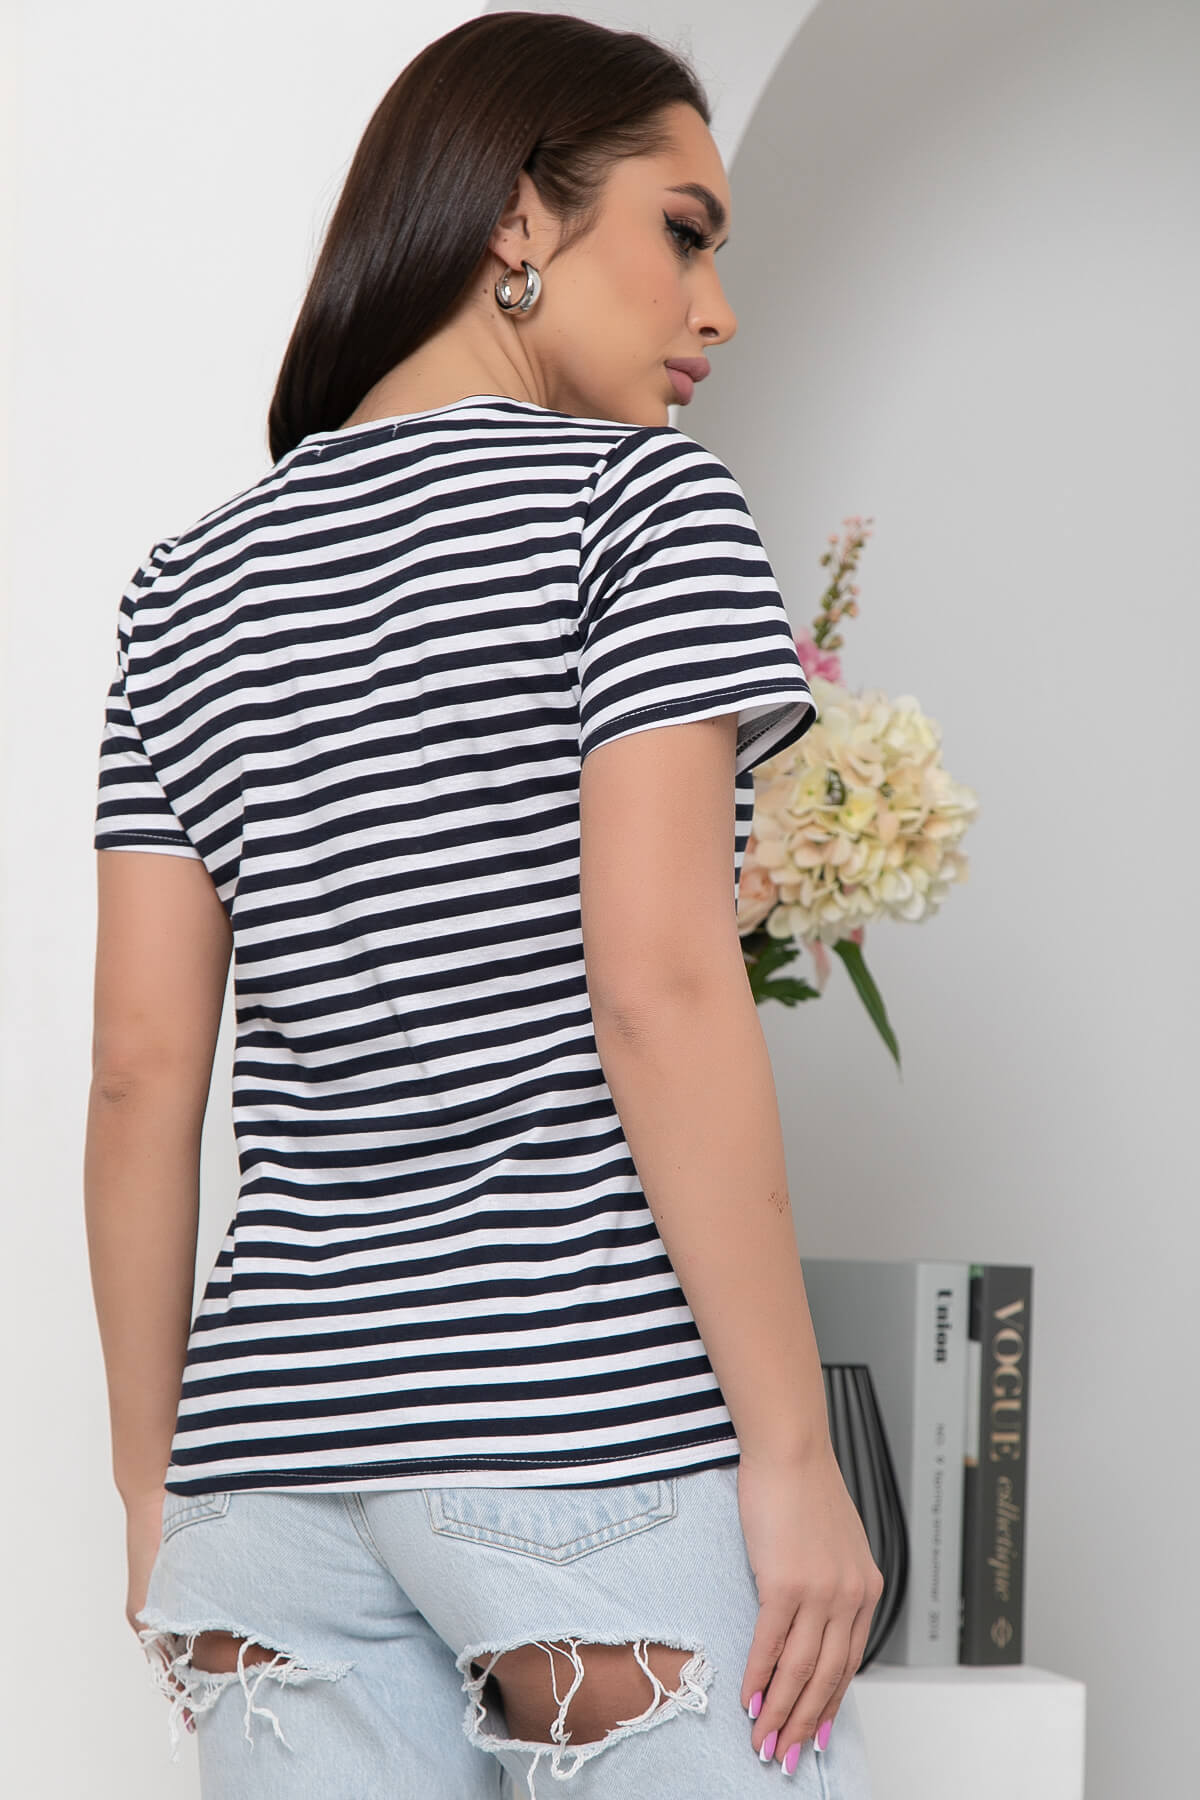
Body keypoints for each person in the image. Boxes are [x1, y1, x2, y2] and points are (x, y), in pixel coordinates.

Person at [84, 11, 883, 1797]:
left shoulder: (185, 585)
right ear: (520, 213)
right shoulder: (640, 510)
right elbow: (661, 983)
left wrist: (155, 1497)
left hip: (265, 1495)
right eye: (684, 231)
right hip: (584, 1443)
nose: (717, 310)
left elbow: (140, 1072)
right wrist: (790, 1451)